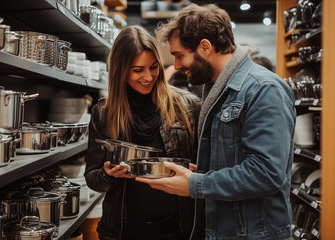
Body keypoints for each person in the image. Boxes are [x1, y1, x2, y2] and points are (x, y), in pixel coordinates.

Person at [136, 4, 296, 240]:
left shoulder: (264, 89)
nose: (177, 66)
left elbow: (266, 173)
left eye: (180, 56)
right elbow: (239, 160)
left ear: (205, 47)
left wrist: (196, 184)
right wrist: (202, 171)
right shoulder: (219, 91)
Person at [84, 25, 202, 240]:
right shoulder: (104, 113)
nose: (148, 77)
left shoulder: (187, 105)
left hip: (179, 229)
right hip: (124, 230)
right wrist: (107, 175)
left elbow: (207, 169)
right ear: (121, 70)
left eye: (154, 67)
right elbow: (92, 178)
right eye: (138, 70)